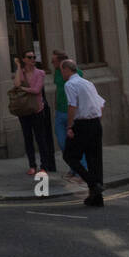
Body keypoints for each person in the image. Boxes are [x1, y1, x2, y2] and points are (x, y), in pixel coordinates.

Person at [60, 59, 106, 207]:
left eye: (62, 70)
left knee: (69, 156)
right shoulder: (88, 83)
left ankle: (93, 183)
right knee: (95, 160)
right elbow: (101, 104)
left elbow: (72, 105)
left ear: (67, 70)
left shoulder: (70, 84)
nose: (61, 73)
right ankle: (97, 198)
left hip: (82, 125)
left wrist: (69, 126)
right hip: (95, 123)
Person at [13, 51, 56, 176]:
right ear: (24, 59)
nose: (32, 59)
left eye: (34, 57)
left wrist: (23, 89)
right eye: (29, 57)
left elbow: (37, 90)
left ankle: (44, 165)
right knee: (28, 138)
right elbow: (16, 84)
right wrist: (19, 67)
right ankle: (32, 165)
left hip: (37, 110)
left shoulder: (40, 73)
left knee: (40, 138)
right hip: (24, 110)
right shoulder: (22, 72)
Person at [50, 49, 87, 181]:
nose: (51, 62)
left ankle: (81, 171)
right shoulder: (57, 73)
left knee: (76, 143)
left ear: (61, 61)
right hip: (60, 112)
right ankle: (73, 167)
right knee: (62, 142)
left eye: (53, 60)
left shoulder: (76, 73)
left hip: (73, 112)